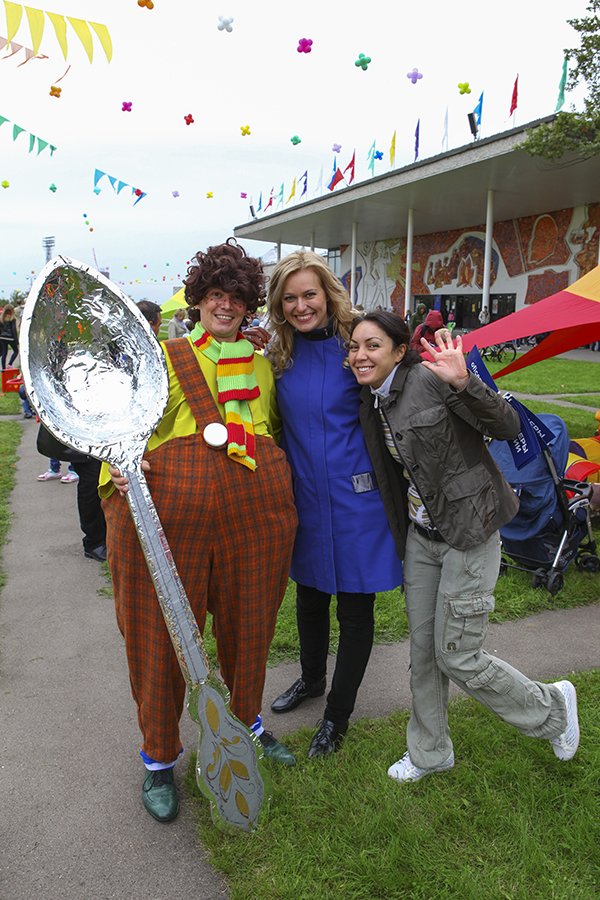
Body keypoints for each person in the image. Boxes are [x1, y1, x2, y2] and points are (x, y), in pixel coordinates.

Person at [101, 238, 298, 823]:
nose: (225, 305)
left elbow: (272, 431)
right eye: (215, 294)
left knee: (250, 623)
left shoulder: (263, 364)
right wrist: (118, 481)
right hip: (174, 511)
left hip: (253, 512)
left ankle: (248, 724)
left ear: (248, 303)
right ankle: (160, 756)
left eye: (236, 296)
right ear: (198, 299)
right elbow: (120, 430)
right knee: (158, 633)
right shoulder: (164, 357)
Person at [346, 311, 580, 783]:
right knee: (424, 652)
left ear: (399, 350)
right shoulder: (372, 400)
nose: (360, 355)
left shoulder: (432, 379)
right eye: (353, 347)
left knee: (457, 654)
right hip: (421, 540)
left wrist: (464, 382)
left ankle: (552, 708)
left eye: (372, 345)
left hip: (470, 532)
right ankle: (430, 752)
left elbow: (509, 427)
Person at [262, 252, 403, 758]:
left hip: (357, 501)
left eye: (310, 294)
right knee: (310, 595)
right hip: (304, 498)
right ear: (279, 305)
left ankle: (336, 717)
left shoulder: (356, 347)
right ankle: (311, 678)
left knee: (355, 608)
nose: (301, 306)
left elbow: (402, 385)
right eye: (290, 298)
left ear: (327, 294)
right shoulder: (278, 356)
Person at [0, 304, 19, 369]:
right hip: (11, 338)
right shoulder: (12, 319)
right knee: (16, 351)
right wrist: (17, 342)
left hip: (2, 337)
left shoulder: (1, 318)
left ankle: (3, 369)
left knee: (4, 353)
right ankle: (10, 364)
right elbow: (14, 331)